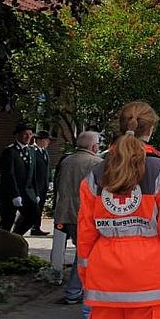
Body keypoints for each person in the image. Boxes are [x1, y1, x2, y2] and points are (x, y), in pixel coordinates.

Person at [77, 101, 160, 319]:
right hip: (148, 279)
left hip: (103, 277)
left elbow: (85, 234)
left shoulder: (95, 176)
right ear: (150, 131)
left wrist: (87, 275)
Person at [51, 131, 103, 308]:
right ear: (93, 147)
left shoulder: (66, 161)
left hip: (65, 213)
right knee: (85, 255)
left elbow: (58, 185)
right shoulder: (96, 163)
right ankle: (75, 292)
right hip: (85, 215)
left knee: (81, 253)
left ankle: (74, 291)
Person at [0, 124, 38, 233]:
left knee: (33, 216)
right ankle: (0, 244)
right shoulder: (10, 151)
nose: (28, 137)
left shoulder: (31, 151)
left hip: (26, 192)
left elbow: (33, 174)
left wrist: (36, 193)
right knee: (7, 221)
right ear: (18, 135)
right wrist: (15, 195)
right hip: (9, 193)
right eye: (25, 134)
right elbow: (8, 175)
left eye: (30, 134)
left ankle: (15, 237)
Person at [27, 130, 53, 236]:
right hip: (35, 185)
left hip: (43, 185)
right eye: (47, 140)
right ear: (40, 140)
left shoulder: (44, 152)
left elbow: (47, 168)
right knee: (33, 207)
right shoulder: (32, 151)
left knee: (40, 206)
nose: (48, 142)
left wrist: (50, 180)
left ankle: (36, 227)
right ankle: (31, 226)